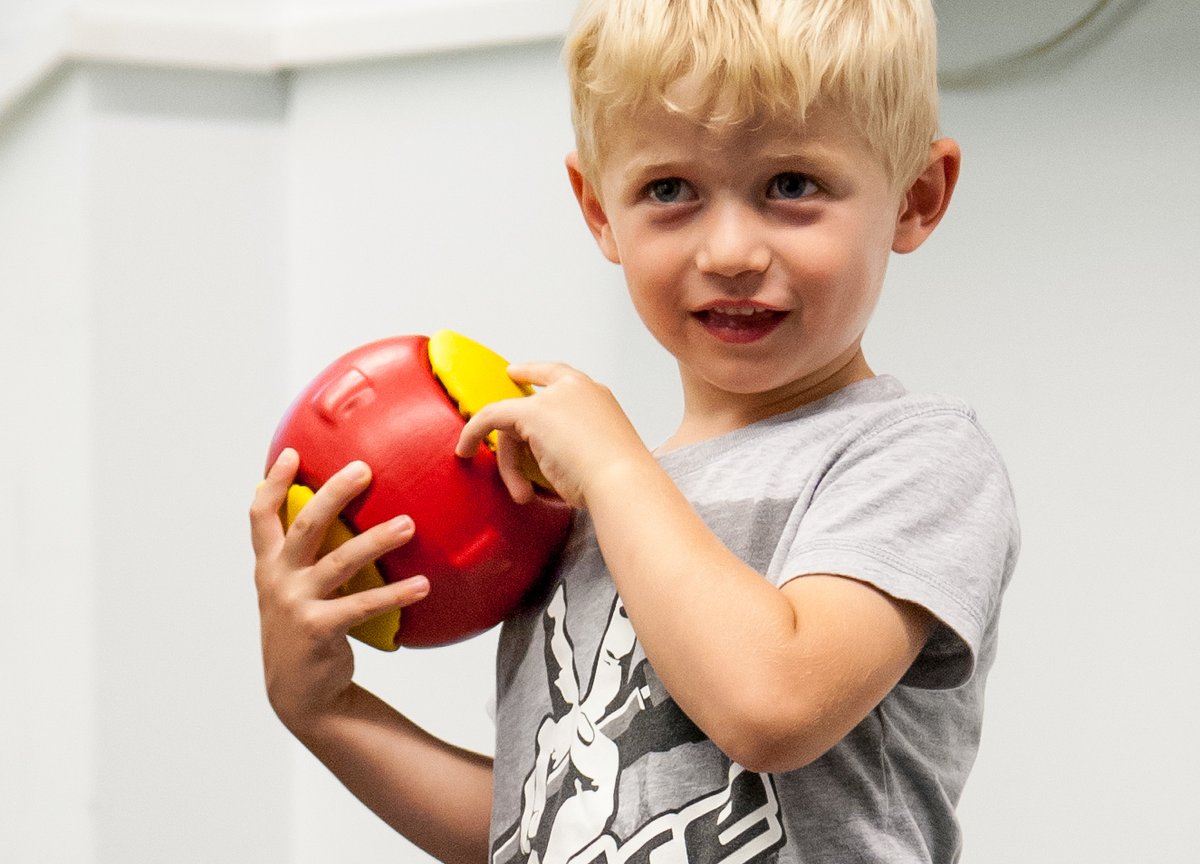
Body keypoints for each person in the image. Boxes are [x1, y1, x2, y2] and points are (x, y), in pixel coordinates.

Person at [249, 1, 1020, 862]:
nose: (730, 249)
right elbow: (545, 828)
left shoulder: (915, 458)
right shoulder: (581, 514)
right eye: (670, 191)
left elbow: (772, 706)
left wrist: (615, 472)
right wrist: (328, 711)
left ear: (918, 197)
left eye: (792, 186)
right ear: (598, 209)